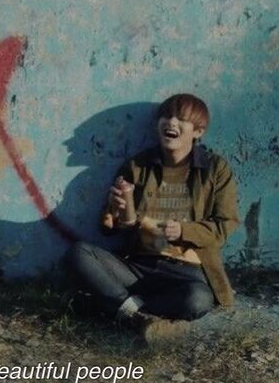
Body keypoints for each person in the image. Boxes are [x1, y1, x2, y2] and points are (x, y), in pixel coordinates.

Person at [65, 94, 239, 341]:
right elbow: (111, 229)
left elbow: (224, 225)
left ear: (198, 131)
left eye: (181, 119)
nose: (171, 122)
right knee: (79, 253)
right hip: (138, 266)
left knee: (198, 300)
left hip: (186, 272)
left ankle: (116, 307)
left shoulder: (216, 169)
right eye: (166, 116)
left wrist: (182, 231)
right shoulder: (137, 166)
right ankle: (139, 318)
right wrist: (114, 211)